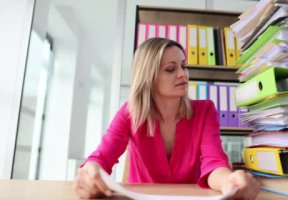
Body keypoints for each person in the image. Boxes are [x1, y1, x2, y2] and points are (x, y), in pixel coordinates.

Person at [73, 38, 260, 199]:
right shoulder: (130, 113)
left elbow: (214, 164)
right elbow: (102, 157)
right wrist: (90, 174)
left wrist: (230, 183)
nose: (183, 74)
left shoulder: (204, 110)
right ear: (149, 77)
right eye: (171, 69)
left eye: (183, 66)